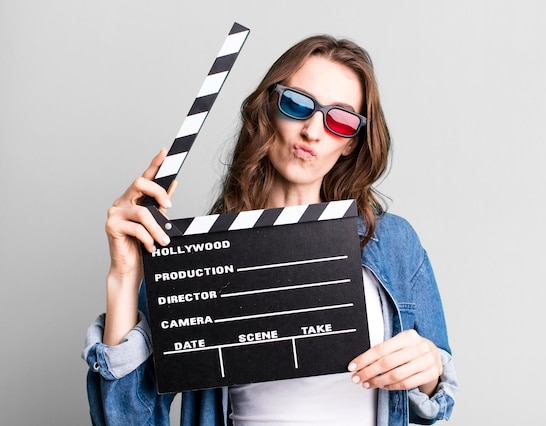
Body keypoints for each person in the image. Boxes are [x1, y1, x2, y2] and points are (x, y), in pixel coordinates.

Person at [82, 34, 459, 425]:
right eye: (297, 104)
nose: (313, 131)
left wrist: (429, 371)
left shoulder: (395, 243)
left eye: (341, 119)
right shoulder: (196, 254)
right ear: (269, 109)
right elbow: (126, 419)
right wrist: (124, 277)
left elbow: (438, 401)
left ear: (351, 143)